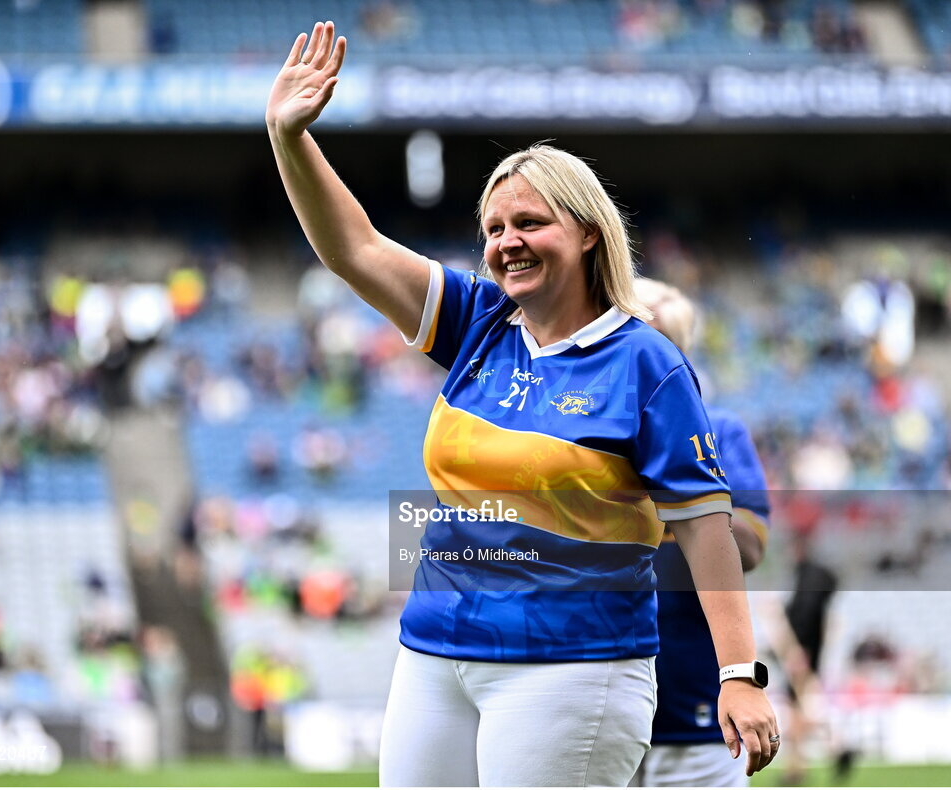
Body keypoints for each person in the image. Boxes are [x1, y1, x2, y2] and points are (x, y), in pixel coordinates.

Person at [265, 22, 779, 786]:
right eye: (495, 228)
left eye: (530, 222)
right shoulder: (477, 321)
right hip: (435, 654)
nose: (507, 241)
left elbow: (706, 528)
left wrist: (739, 671)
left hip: (574, 667)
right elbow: (356, 249)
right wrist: (289, 138)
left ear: (589, 235)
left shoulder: (646, 362)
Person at [629, 279, 772, 787]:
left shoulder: (719, 429)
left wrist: (683, 505)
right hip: (592, 686)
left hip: (695, 689)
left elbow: (751, 545)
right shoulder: (580, 432)